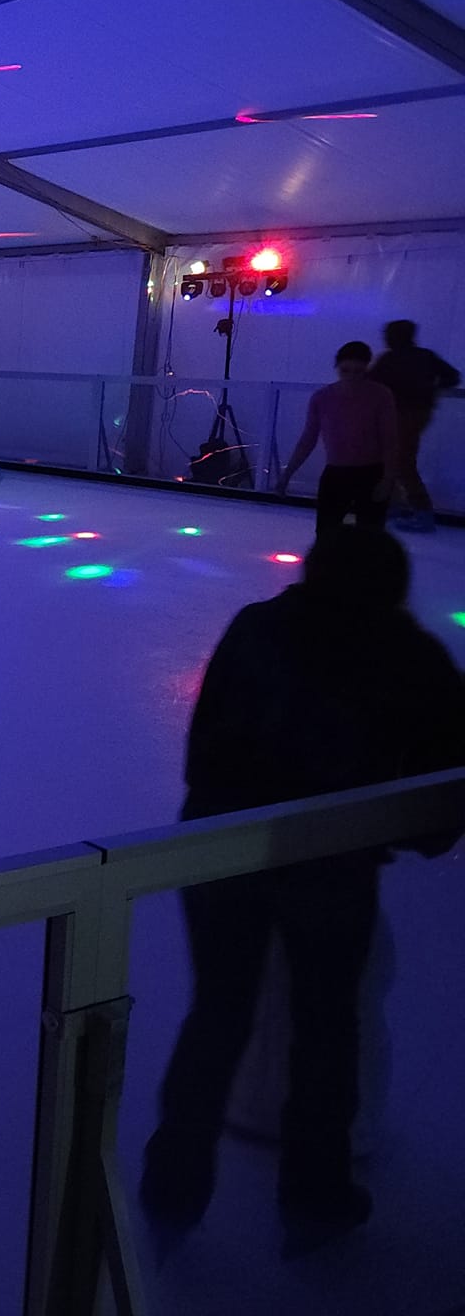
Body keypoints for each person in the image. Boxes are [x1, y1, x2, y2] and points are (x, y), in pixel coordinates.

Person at [139, 528, 465, 1257]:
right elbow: (443, 802)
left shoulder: (257, 629)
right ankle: (315, 1199)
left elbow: (207, 748)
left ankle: (173, 1191)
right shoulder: (412, 658)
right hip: (331, 864)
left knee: (219, 1014)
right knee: (326, 1026)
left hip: (227, 847)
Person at [277, 341, 398, 537]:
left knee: (370, 535)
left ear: (366, 369)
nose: (351, 376)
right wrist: (287, 473)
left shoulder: (380, 395)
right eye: (346, 370)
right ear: (337, 368)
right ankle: (331, 565)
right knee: (327, 531)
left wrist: (388, 479)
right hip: (337, 474)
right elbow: (308, 439)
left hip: (371, 473)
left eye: (358, 371)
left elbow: (390, 440)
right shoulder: (323, 397)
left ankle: (360, 566)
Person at [369, 319, 458, 533]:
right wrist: (432, 392)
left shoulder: (390, 359)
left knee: (401, 461)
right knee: (395, 459)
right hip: (415, 413)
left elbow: (369, 382)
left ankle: (419, 512)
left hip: (403, 414)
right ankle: (397, 506)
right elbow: (452, 377)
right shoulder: (424, 357)